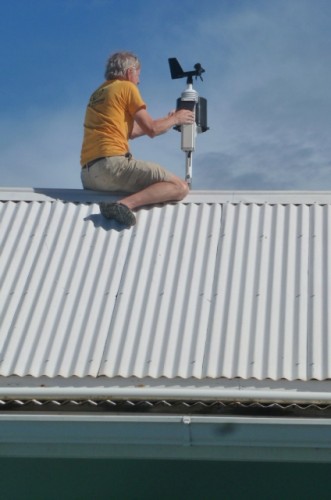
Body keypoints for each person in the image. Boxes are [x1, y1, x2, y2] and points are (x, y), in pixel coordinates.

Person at [80, 51, 195, 226]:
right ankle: (123, 205)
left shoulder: (98, 93)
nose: (139, 81)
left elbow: (132, 132)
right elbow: (152, 129)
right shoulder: (127, 87)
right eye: (138, 75)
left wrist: (168, 120)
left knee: (171, 184)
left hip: (88, 175)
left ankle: (121, 204)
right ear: (129, 72)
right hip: (113, 166)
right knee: (180, 187)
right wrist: (176, 119)